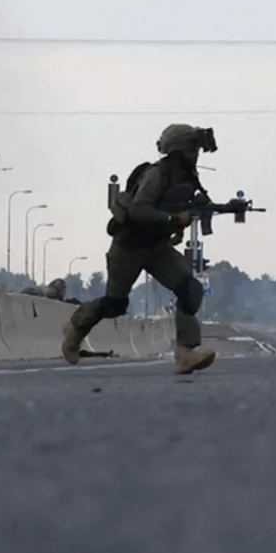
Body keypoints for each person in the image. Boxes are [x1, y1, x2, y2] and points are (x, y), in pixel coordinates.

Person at [62, 123, 218, 375]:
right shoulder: (158, 174)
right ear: (178, 151)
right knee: (115, 304)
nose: (196, 154)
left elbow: (173, 209)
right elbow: (138, 209)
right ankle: (75, 329)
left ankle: (185, 354)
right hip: (129, 247)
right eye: (192, 149)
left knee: (190, 290)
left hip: (157, 248)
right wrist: (172, 220)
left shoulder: (187, 177)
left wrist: (179, 224)